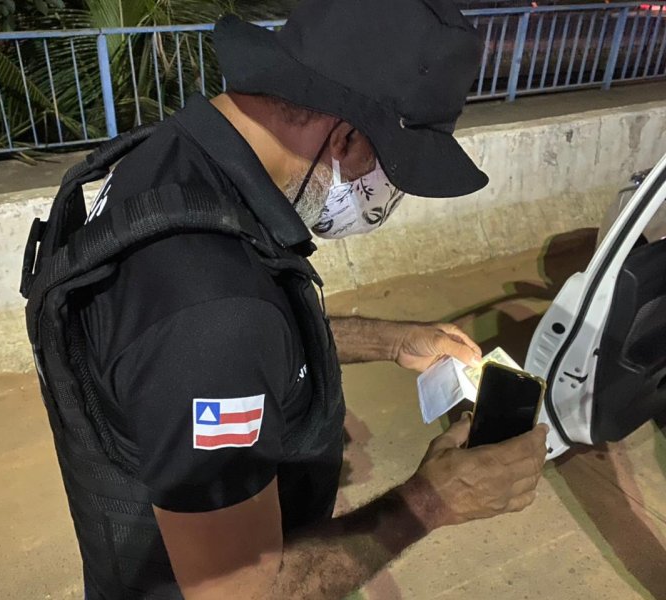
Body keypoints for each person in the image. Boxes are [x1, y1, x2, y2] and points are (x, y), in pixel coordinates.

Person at [42, 0, 549, 598]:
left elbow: (243, 342)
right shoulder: (213, 310)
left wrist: (391, 341)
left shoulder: (177, 159)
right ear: (350, 138)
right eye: (395, 171)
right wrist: (433, 501)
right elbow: (238, 592)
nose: (385, 194)